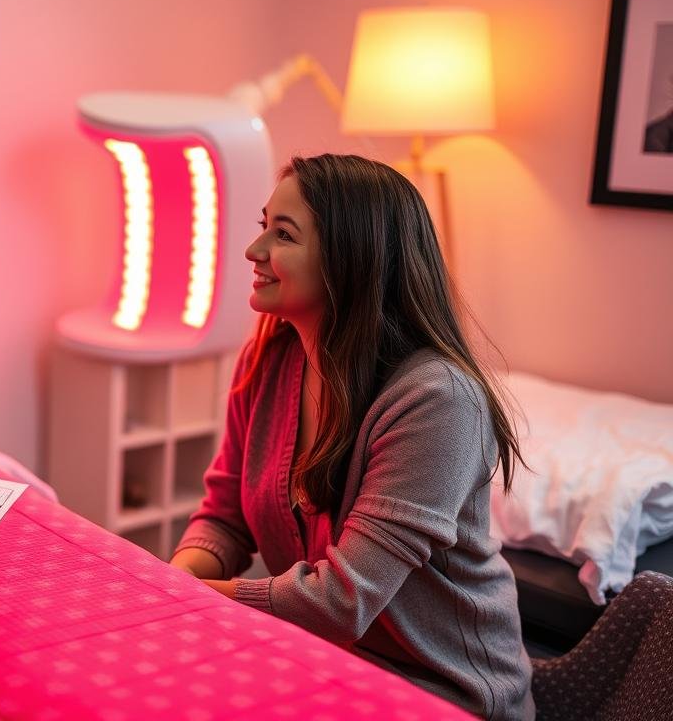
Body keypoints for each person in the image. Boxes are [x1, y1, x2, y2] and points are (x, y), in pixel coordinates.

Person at [169, 154, 534, 719]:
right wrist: (176, 578)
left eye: (283, 235)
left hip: (440, 692)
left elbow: (341, 602)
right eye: (263, 227)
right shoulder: (269, 359)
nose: (254, 251)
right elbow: (226, 516)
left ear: (351, 260)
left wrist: (183, 601)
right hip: (316, 662)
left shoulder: (436, 401)